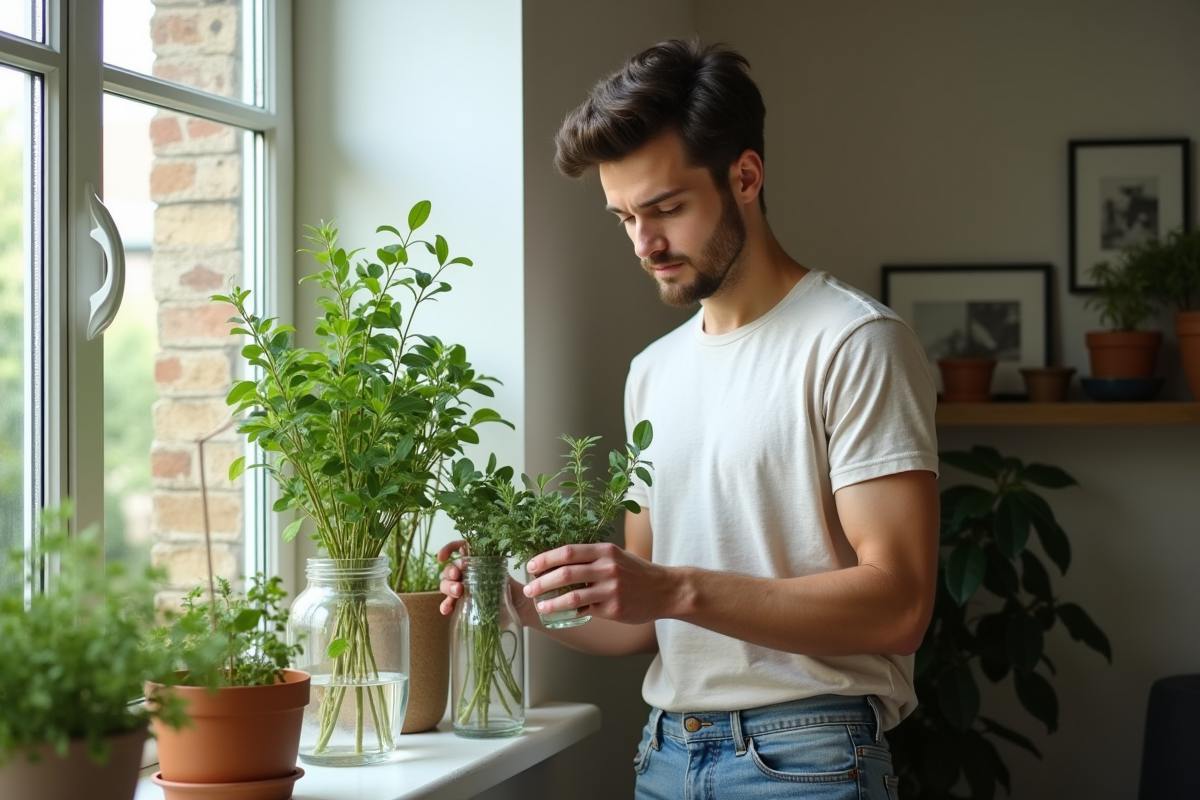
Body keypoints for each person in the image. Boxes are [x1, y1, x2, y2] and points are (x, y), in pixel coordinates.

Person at [439, 38, 939, 799]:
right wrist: (521, 603)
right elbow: (646, 619)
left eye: (666, 208)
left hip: (807, 758)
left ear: (745, 176)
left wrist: (672, 588)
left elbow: (900, 605)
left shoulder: (856, 343)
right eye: (624, 218)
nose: (645, 244)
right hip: (666, 755)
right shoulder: (654, 372)